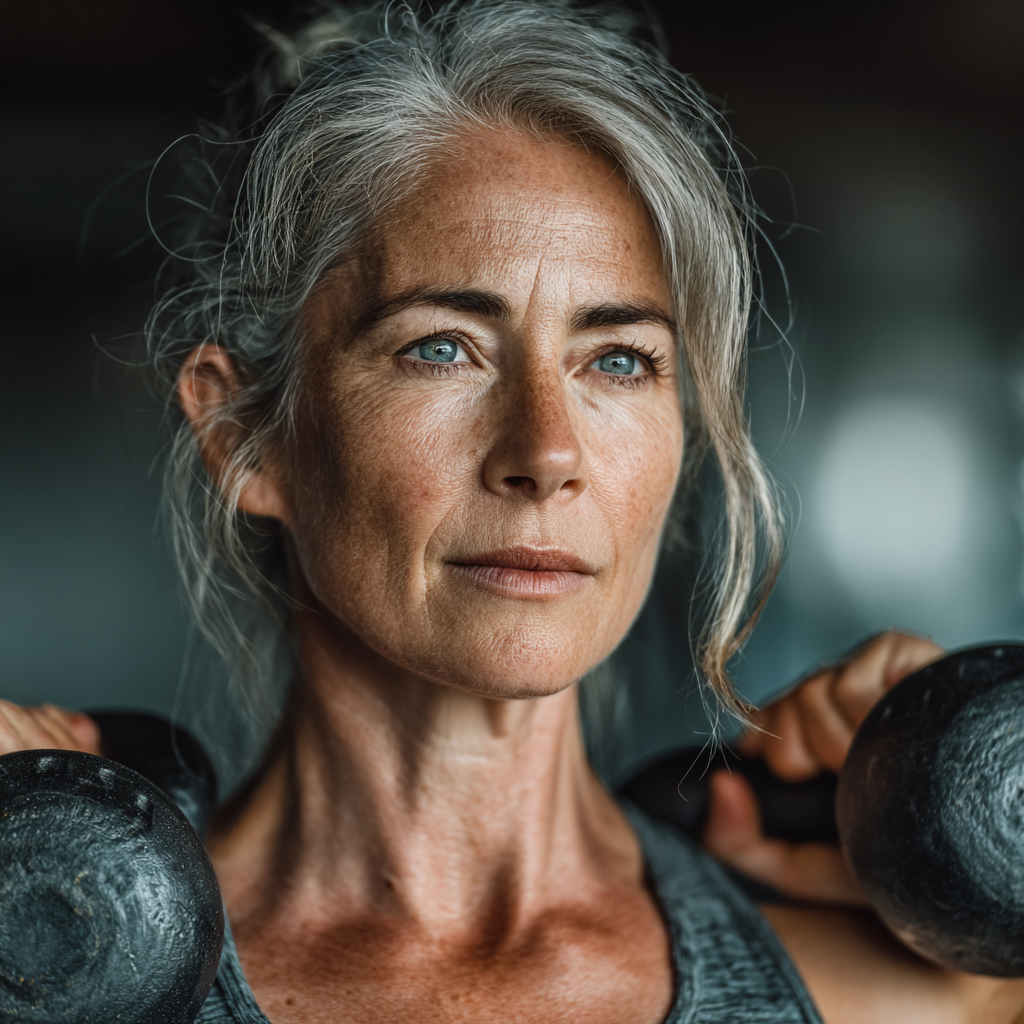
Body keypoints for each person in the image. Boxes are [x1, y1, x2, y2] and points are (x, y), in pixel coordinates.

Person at [1, 3, 1021, 1021]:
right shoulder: (57, 980)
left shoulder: (906, 995)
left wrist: (938, 841)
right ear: (244, 437)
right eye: (440, 347)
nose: (545, 452)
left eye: (616, 361)